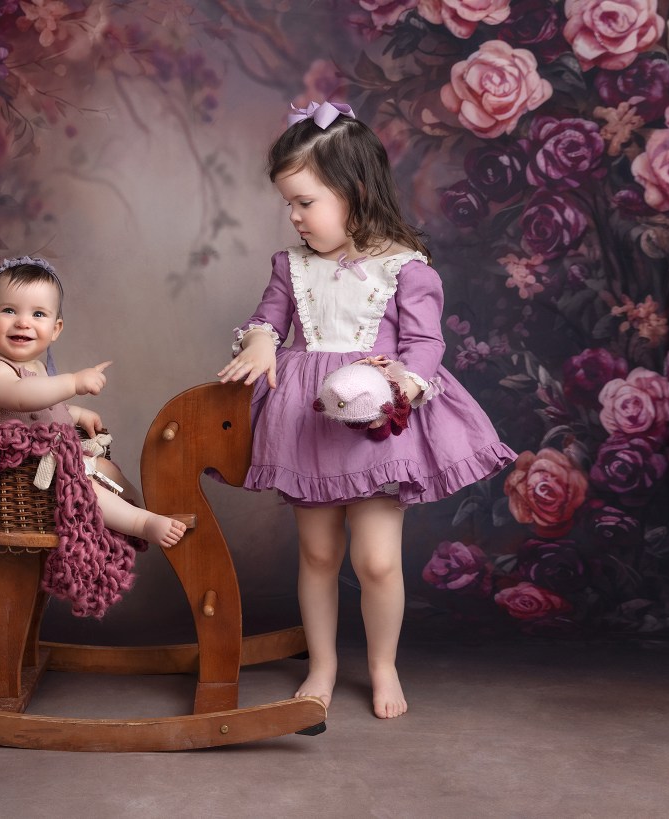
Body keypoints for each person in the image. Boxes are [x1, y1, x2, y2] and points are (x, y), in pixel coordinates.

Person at [218, 101, 516, 719]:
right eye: (288, 203)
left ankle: (383, 667)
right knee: (319, 554)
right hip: (305, 422)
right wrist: (258, 341)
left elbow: (426, 344)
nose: (293, 216)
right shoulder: (290, 267)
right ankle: (323, 667)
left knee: (376, 560)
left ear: (354, 191)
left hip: (372, 424)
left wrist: (404, 383)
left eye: (305, 201)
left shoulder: (404, 266)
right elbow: (267, 321)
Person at [0, 256, 187, 549]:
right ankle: (140, 523)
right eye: (9, 310)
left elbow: (40, 408)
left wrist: (75, 413)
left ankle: (143, 507)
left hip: (48, 465)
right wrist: (73, 383)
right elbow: (19, 395)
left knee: (105, 468)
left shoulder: (38, 368)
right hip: (16, 477)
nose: (23, 322)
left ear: (55, 329)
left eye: (38, 314)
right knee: (83, 483)